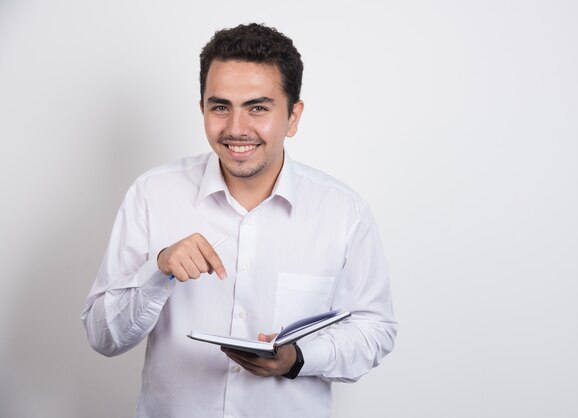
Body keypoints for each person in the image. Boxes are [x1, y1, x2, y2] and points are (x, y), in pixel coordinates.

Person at [81, 23, 397, 418]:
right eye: (220, 107)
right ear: (202, 109)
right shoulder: (151, 194)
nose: (235, 129)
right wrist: (157, 270)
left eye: (258, 107)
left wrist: (297, 358)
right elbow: (102, 336)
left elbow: (375, 330)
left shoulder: (343, 212)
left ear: (293, 116)